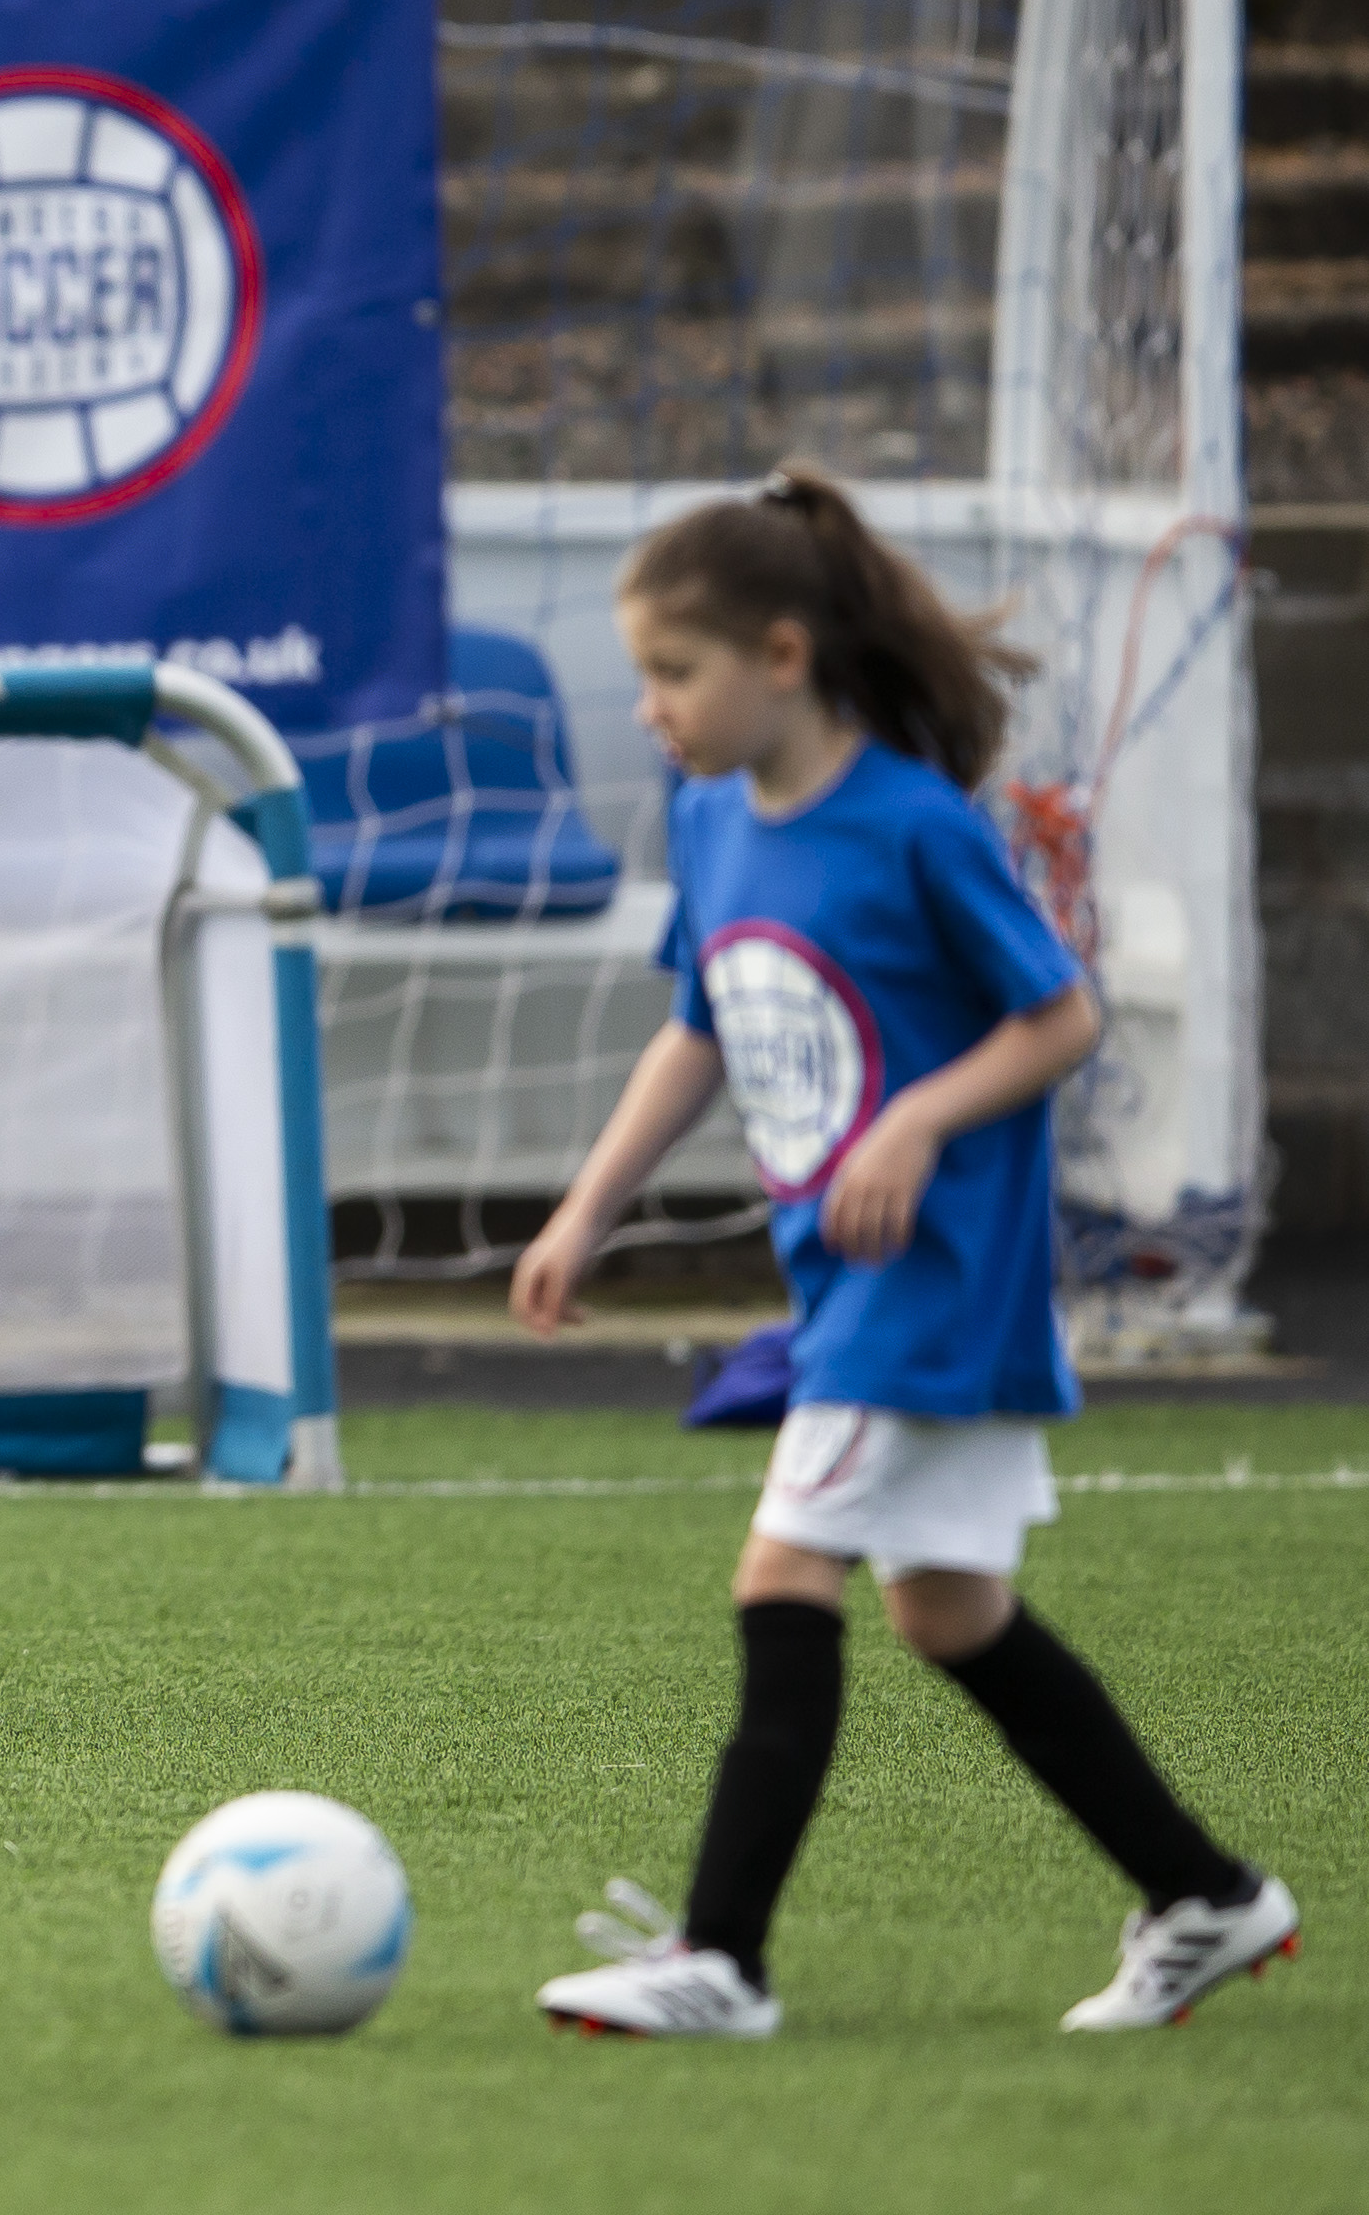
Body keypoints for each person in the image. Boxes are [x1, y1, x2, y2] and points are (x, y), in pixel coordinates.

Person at [517, 464, 1295, 2036]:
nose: (651, 707)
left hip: (930, 1281)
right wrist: (584, 1203)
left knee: (780, 1567)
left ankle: (721, 1960)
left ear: (783, 656)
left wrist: (913, 1123)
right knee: (945, 1610)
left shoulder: (910, 826)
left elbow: (1058, 1016)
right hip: (846, 1289)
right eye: (641, 676)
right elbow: (700, 1024)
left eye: (673, 672)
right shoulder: (710, 818)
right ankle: (1205, 1896)